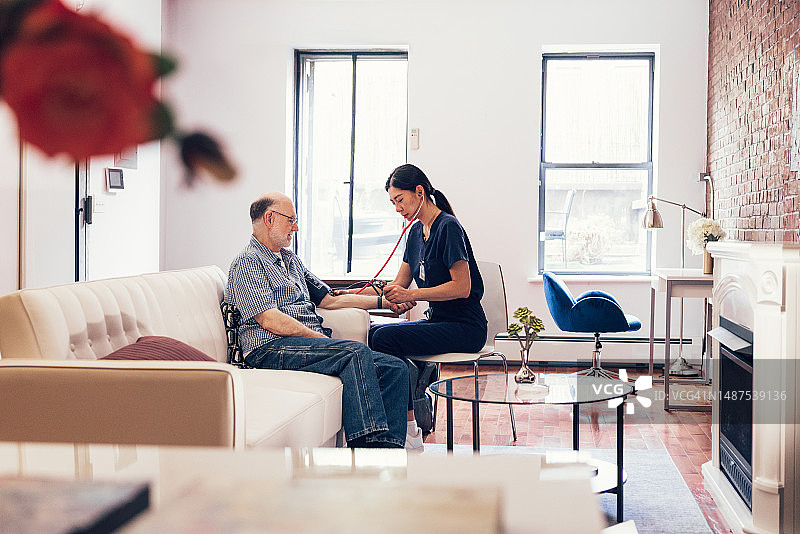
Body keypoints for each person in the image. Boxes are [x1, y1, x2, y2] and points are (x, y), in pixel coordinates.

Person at [225, 192, 413, 449]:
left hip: (303, 344)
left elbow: (330, 299)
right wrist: (321, 340)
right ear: (269, 218)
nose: (296, 227)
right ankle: (368, 452)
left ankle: (390, 454)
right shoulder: (247, 262)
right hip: (269, 348)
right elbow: (269, 319)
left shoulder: (290, 260)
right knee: (353, 352)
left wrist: (384, 303)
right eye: (291, 219)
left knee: (395, 368)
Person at [362, 163, 488, 443]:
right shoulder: (415, 234)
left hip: (466, 327)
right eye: (393, 202)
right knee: (373, 333)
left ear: (420, 192)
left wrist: (411, 297)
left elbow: (462, 287)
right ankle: (410, 408)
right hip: (438, 321)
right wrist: (346, 298)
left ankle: (409, 429)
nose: (397, 208)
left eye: (400, 200)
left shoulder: (448, 227)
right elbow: (400, 284)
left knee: (386, 339)